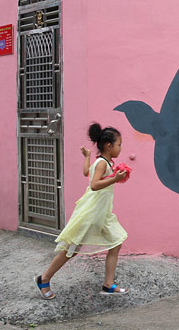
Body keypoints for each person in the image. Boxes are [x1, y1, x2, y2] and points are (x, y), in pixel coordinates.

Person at [34, 123, 130, 299]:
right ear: (109, 145)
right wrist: (114, 179)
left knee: (116, 242)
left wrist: (87, 157)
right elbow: (94, 185)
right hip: (92, 212)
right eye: (119, 144)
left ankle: (108, 284)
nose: (120, 148)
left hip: (102, 213)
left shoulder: (102, 162)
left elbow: (87, 172)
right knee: (72, 248)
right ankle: (44, 278)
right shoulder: (102, 163)